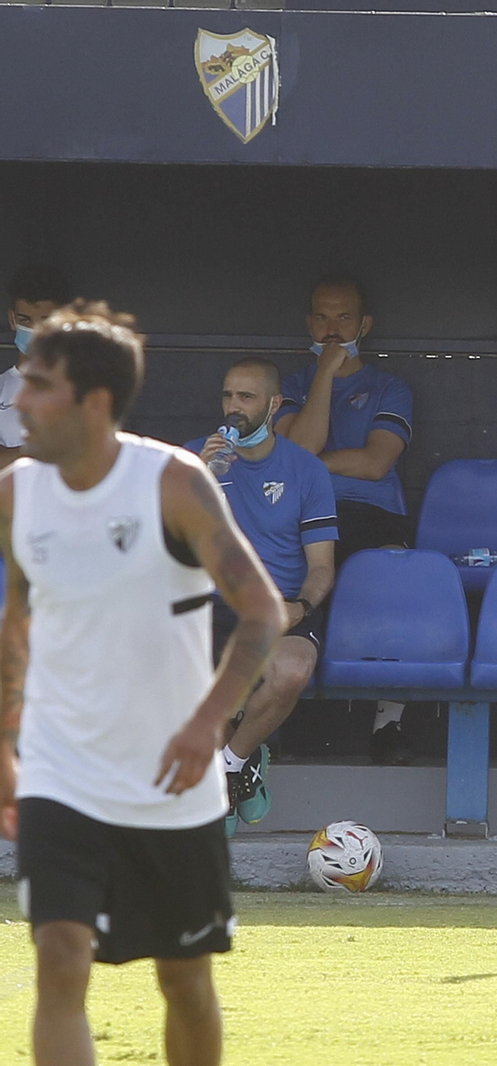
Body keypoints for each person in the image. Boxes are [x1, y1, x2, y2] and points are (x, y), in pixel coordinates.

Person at [0, 302, 287, 1066]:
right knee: (60, 963)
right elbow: (17, 624)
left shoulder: (172, 483)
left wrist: (207, 724)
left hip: (170, 781)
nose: (19, 400)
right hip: (60, 773)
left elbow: (263, 613)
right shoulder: (17, 493)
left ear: (94, 402)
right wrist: (5, 748)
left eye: (38, 385)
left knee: (184, 981)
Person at [188, 357, 339, 833]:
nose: (233, 407)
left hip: (280, 604)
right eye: (228, 395)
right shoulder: (193, 459)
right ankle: (234, 774)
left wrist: (300, 607)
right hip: (211, 604)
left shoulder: (306, 469)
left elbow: (321, 566)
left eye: (246, 397)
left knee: (291, 670)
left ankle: (230, 766)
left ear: (274, 405)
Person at [274, 274, 414, 765]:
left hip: (372, 514)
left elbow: (375, 463)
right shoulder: (291, 386)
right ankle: (271, 719)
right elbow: (300, 446)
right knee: (275, 575)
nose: (332, 329)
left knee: (395, 577)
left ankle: (389, 724)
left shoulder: (389, 387)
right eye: (322, 317)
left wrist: (310, 462)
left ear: (365, 325)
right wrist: (324, 376)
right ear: (309, 324)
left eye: (344, 317)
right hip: (304, 513)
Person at [4, 265, 73, 470]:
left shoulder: (81, 385)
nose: (34, 329)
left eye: (45, 321)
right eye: (25, 320)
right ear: (12, 319)